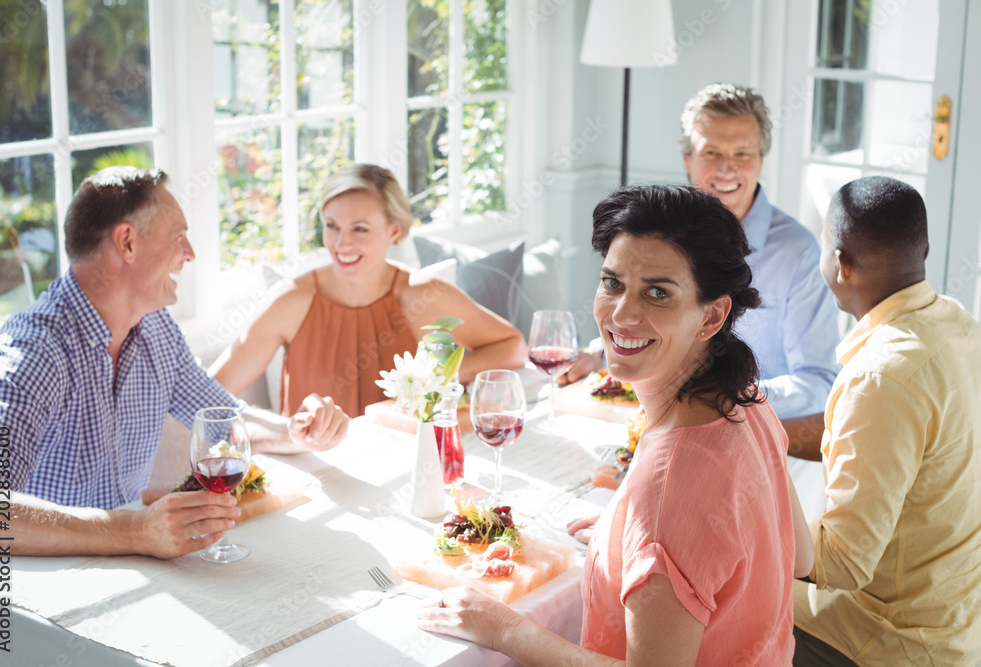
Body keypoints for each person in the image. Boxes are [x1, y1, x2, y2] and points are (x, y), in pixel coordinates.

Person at [417, 185, 813, 664]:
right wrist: (633, 541)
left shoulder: (670, 484)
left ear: (712, 314)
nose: (622, 315)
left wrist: (505, 629)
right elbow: (800, 558)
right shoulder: (746, 401)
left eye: (658, 293)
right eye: (612, 283)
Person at [0, 167, 347, 559]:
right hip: (42, 592)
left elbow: (225, 423)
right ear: (128, 243)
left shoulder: (155, 328)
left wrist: (294, 430)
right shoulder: (33, 352)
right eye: (178, 237)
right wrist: (135, 531)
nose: (190, 253)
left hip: (129, 565)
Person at [564, 83, 840, 519]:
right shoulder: (659, 233)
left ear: (761, 160)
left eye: (743, 154)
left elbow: (820, 381)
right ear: (687, 160)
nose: (726, 169)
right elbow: (655, 318)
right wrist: (600, 352)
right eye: (711, 153)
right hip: (651, 427)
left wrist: (714, 398)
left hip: (747, 441)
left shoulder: (800, 252)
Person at [786, 176, 981, 666]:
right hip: (956, 619)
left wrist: (743, 501)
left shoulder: (880, 377)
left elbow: (842, 562)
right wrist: (765, 430)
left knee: (714, 596)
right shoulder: (957, 325)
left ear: (841, 263)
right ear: (924, 249)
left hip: (887, 642)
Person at [210, 164, 528, 417]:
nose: (341, 243)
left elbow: (512, 346)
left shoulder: (422, 296)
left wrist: (437, 380)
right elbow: (208, 394)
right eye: (331, 226)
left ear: (394, 231)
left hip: (403, 467)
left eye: (359, 229)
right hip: (316, 478)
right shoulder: (292, 299)